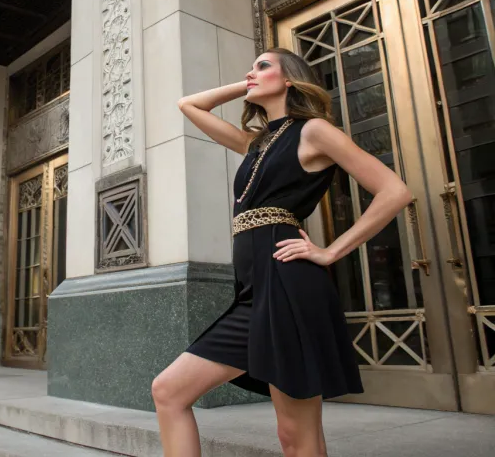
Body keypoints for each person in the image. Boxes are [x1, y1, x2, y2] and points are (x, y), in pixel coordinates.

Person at [152, 48, 413, 457]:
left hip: (289, 287)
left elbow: (395, 191)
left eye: (262, 66)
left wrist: (330, 252)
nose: (250, 72)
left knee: (295, 436)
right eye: (251, 66)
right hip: (253, 294)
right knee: (168, 391)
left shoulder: (314, 132)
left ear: (289, 78)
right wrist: (250, 84)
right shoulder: (256, 143)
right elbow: (190, 104)